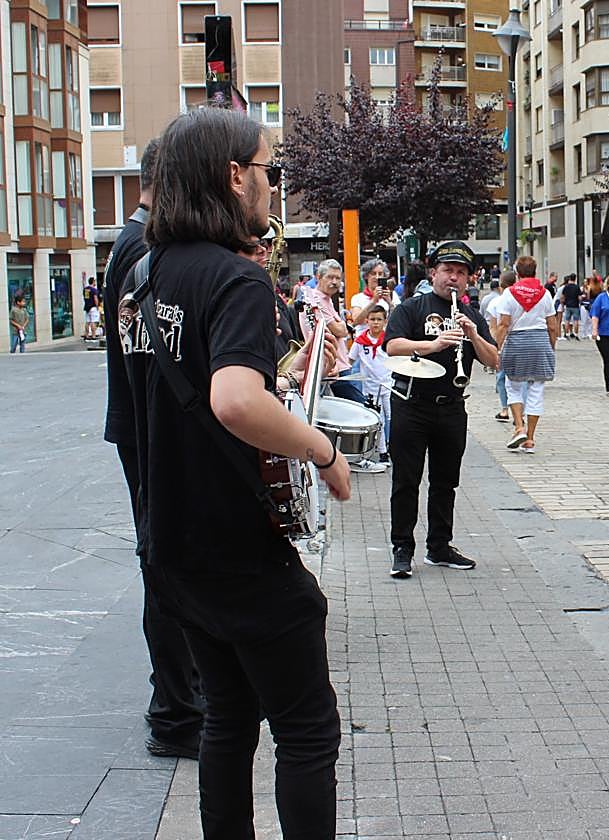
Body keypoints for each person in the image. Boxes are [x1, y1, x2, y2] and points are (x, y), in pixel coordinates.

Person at [119, 106, 348, 839]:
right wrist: (323, 448)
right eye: (268, 170)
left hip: (172, 543)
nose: (272, 187)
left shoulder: (142, 278)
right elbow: (234, 400)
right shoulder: (236, 282)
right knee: (308, 730)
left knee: (226, 719)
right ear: (232, 176)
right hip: (237, 548)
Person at [101, 138, 205, 761]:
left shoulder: (133, 239)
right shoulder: (143, 246)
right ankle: (176, 710)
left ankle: (175, 699)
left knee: (162, 560)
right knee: (165, 564)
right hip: (147, 427)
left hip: (138, 424)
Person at [385, 240, 499, 578]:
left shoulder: (471, 314)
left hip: (451, 407)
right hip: (411, 405)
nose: (454, 278)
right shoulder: (412, 307)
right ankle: (402, 548)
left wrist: (473, 334)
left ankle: (439, 546)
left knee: (445, 481)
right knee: (406, 480)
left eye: (461, 273)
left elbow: (494, 360)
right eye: (448, 271)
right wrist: (432, 345)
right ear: (434, 273)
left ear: (468, 280)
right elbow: (392, 346)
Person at [494, 255, 559, 454]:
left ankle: (518, 427)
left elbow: (504, 324)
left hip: (517, 342)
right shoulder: (545, 294)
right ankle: (530, 438)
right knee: (536, 390)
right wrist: (551, 347)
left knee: (512, 386)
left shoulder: (508, 295)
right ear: (535, 271)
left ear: (517, 273)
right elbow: (552, 326)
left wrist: (497, 348)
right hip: (540, 343)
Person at [301, 259, 366, 407]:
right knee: (359, 410)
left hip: (339, 365)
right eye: (330, 277)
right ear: (318, 277)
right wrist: (342, 326)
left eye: (338, 278)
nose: (335, 282)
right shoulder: (315, 300)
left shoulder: (327, 300)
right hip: (333, 368)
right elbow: (340, 331)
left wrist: (341, 327)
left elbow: (341, 329)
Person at [350, 305, 393, 465]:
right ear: (367, 321)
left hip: (388, 385)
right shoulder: (360, 341)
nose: (375, 323)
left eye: (379, 320)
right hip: (370, 388)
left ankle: (393, 447)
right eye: (372, 319)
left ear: (385, 321)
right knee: (379, 419)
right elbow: (350, 360)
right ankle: (382, 452)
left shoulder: (389, 340)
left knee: (392, 417)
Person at [486, 271, 517, 423]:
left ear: (500, 287)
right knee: (520, 379)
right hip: (520, 343)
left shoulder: (496, 302)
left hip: (503, 344)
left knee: (501, 378)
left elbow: (492, 327)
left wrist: (496, 345)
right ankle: (520, 412)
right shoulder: (520, 300)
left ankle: (505, 409)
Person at [349, 258, 392, 336]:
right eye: (373, 273)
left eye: (380, 274)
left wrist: (390, 302)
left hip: (383, 341)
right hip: (363, 342)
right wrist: (374, 301)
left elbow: (399, 319)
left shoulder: (391, 295)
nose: (377, 277)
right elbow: (355, 321)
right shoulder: (357, 298)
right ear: (366, 276)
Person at [560, 273, 582, 340]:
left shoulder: (566, 287)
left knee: (567, 320)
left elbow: (562, 297)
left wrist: (562, 305)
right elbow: (580, 298)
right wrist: (580, 302)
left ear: (570, 278)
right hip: (575, 305)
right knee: (576, 320)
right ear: (575, 279)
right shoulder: (577, 287)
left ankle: (567, 334)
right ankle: (576, 334)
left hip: (568, 305)